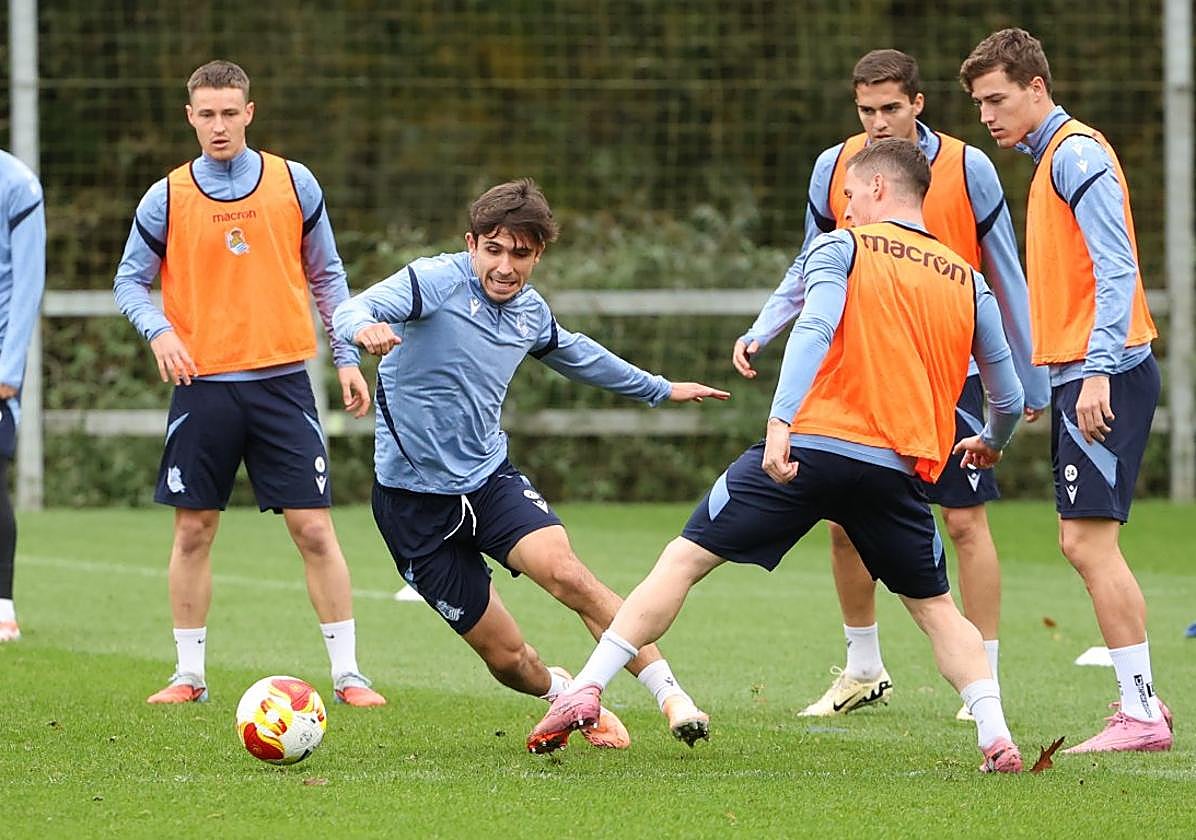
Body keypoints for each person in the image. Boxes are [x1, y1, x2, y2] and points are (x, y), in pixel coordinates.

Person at [531, 139, 1027, 773]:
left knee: (684, 559)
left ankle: (587, 689)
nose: (843, 208)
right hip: (896, 470)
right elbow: (1007, 393)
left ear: (877, 189)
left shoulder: (841, 247)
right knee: (936, 609)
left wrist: (780, 421)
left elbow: (815, 327)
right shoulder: (968, 279)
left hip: (811, 449)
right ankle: (995, 736)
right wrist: (992, 440)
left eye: (848, 196)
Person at [332, 178, 729, 748]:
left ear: (537, 254)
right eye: (493, 250)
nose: (505, 267)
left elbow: (579, 355)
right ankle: (560, 692)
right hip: (411, 506)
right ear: (472, 244)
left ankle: (673, 697)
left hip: (489, 483)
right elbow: (355, 305)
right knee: (510, 659)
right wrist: (362, 329)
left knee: (571, 576)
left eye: (520, 254)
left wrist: (660, 389)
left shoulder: (529, 312)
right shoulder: (434, 282)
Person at [732, 49, 1049, 720]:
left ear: (918, 104)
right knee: (844, 520)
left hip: (948, 369)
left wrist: (1031, 375)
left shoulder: (970, 168)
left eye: (890, 109)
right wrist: (766, 325)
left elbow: (1005, 275)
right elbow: (810, 262)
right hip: (865, 367)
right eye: (866, 111)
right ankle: (863, 666)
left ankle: (981, 679)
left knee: (964, 521)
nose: (877, 124)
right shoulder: (834, 166)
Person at [113, 60, 386, 707]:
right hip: (203, 386)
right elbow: (130, 281)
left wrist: (346, 355)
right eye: (205, 114)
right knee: (193, 530)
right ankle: (189, 675)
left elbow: (328, 277)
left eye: (229, 113)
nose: (218, 125)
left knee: (314, 529)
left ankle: (349, 674)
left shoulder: (294, 182)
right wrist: (159, 331)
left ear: (249, 113)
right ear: (190, 117)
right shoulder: (168, 196)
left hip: (285, 380)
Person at [961, 28, 1172, 753]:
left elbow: (1116, 271)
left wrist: (1098, 371)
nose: (988, 116)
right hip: (1083, 371)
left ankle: (1141, 714)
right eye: (980, 103)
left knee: (1087, 543)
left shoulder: (1075, 153)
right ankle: (1142, 706)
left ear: (1036, 87)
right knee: (1079, 541)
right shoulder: (1052, 157)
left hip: (1102, 372)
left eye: (998, 98)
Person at [0, 150, 46, 643]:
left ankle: (3, 606)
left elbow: (28, 285)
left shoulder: (17, 185)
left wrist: (8, 370)